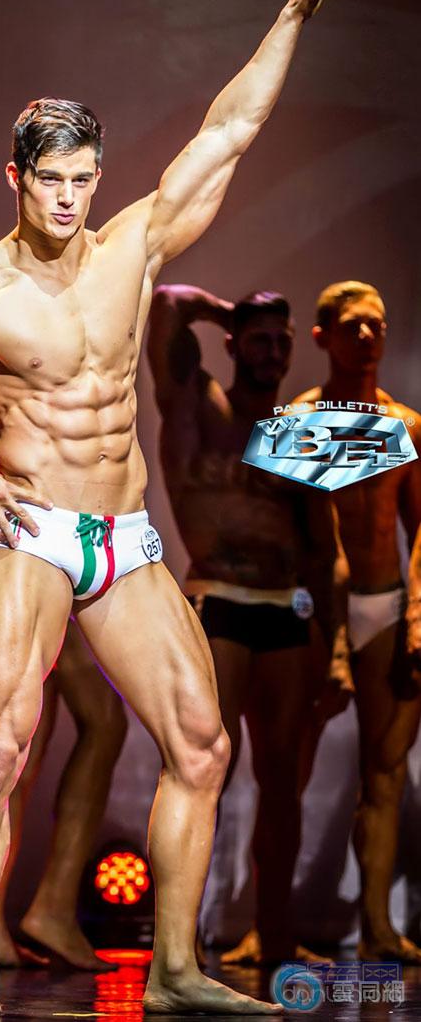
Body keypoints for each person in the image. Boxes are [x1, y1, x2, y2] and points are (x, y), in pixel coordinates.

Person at [0, 0, 358, 1015]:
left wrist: (292, 13)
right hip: (29, 532)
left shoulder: (133, 248)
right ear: (14, 177)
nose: (69, 199)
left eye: (83, 178)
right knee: (1, 749)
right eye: (50, 180)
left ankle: (172, 972)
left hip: (123, 538)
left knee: (202, 745)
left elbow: (229, 131)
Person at [147, 286, 350, 966]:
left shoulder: (299, 433)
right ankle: (178, 947)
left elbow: (324, 550)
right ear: (233, 343)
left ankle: (277, 939)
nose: (272, 352)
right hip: (219, 600)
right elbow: (166, 302)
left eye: (282, 341)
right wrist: (224, 311)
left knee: (283, 780)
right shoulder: (199, 404)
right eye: (258, 339)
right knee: (202, 769)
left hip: (286, 608)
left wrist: (335, 647)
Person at [0, 402, 127, 971]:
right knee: (24, 742)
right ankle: (22, 918)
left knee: (28, 740)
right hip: (40, 560)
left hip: (69, 556)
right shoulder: (5, 388)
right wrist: (14, 529)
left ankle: (14, 919)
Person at [292, 280, 421, 962]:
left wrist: (418, 610)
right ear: (323, 337)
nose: (367, 337)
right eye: (353, 326)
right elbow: (299, 531)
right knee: (288, 768)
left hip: (385, 604)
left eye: (377, 325)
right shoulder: (300, 420)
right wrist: (323, 625)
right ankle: (269, 924)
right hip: (317, 609)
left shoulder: (407, 424)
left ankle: (377, 926)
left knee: (386, 769)